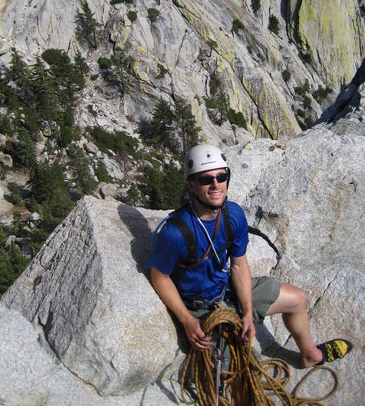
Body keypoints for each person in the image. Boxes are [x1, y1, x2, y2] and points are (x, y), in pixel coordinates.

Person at [146, 144, 352, 402]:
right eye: (206, 179)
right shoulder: (175, 233)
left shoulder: (233, 215)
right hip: (200, 308)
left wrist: (245, 312)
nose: (216, 184)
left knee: (297, 299)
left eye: (222, 177)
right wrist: (188, 321)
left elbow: (240, 265)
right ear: (191, 186)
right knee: (241, 382)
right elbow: (159, 276)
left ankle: (310, 355)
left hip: (227, 292)